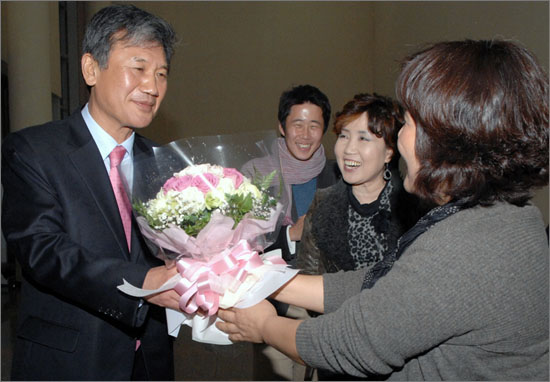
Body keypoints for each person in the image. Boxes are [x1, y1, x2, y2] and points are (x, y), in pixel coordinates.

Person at [217, 39, 549, 380]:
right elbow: (385, 285)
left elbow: (352, 342)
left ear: (449, 135)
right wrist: (262, 280)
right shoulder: (510, 217)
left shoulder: (466, 246)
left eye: (407, 123)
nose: (401, 137)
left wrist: (264, 325)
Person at [2, 5, 182, 380]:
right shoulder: (34, 151)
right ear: (91, 69)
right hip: (69, 362)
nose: (152, 87)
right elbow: (43, 249)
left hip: (149, 362)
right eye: (139, 68)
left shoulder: (167, 164)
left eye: (161, 74)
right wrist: (142, 283)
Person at [297, 93, 423, 380]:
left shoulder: (415, 208)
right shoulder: (323, 203)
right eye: (344, 136)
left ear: (390, 151)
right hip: (337, 351)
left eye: (364, 139)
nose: (348, 149)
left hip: (403, 358)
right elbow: (309, 274)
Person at [242, 84, 340, 265]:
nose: (305, 135)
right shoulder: (255, 175)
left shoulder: (338, 175)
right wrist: (291, 234)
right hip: (271, 286)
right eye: (298, 125)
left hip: (325, 283)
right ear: (282, 127)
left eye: (314, 126)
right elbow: (241, 244)